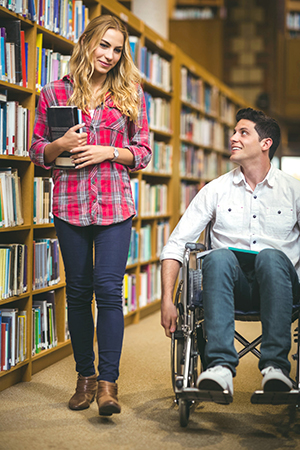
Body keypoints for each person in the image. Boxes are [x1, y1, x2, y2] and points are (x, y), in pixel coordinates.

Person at [30, 15, 151, 416]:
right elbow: (37, 153)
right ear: (87, 43)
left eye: (117, 50)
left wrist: (109, 152)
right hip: (70, 205)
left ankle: (107, 385)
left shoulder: (131, 92)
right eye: (104, 46)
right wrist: (60, 142)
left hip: (116, 206)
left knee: (109, 291)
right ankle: (84, 378)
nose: (110, 56)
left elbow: (144, 152)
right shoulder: (52, 93)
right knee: (79, 293)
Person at [161, 107, 300, 397]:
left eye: (243, 132)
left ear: (265, 144)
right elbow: (176, 244)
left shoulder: (293, 191)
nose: (233, 137)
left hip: (281, 288)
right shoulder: (216, 190)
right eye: (234, 131)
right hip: (227, 288)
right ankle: (220, 367)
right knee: (220, 256)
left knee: (271, 257)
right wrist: (166, 299)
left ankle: (275, 368)